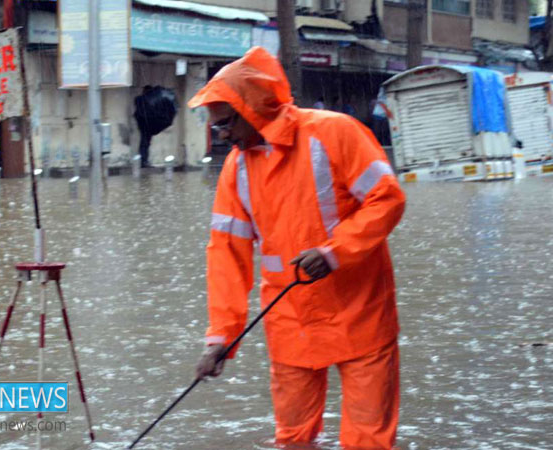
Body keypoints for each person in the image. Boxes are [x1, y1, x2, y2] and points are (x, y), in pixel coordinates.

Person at [189, 47, 406, 449]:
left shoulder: (334, 133)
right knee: (292, 440)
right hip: (291, 322)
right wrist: (221, 337)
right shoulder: (236, 169)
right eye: (217, 128)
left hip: (361, 312)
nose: (223, 136)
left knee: (368, 440)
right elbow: (226, 255)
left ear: (252, 108)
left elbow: (387, 199)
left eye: (225, 125)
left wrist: (333, 252)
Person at [134, 85, 154, 168]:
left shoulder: (149, 100)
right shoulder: (140, 99)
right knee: (144, 142)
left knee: (146, 142)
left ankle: (144, 160)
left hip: (149, 123)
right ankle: (143, 161)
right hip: (143, 123)